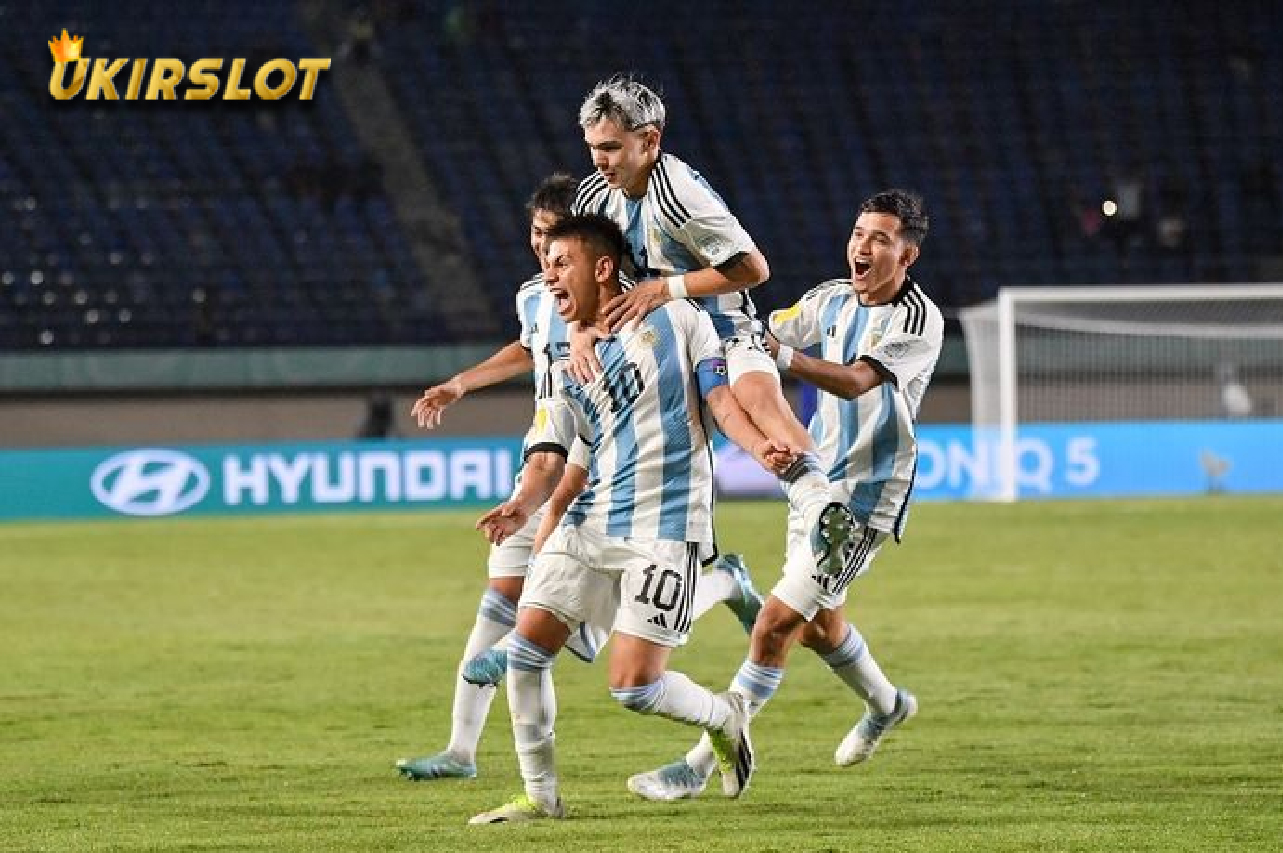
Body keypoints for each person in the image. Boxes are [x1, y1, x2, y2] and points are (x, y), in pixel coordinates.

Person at [395, 176, 762, 783]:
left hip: (609, 478)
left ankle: (709, 591)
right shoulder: (539, 300)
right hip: (547, 460)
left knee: (601, 652)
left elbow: (713, 377)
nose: (544, 254)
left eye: (557, 245)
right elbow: (526, 351)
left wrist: (755, 437)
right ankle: (487, 762)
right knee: (516, 615)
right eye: (538, 239)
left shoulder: (647, 314)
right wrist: (463, 383)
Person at [467, 214, 797, 824]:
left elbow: (721, 403)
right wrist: (521, 506)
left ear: (602, 269)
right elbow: (551, 450)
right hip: (590, 519)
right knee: (527, 649)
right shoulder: (572, 358)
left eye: (561, 264)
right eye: (545, 265)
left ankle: (724, 716)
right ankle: (540, 797)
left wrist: (762, 451)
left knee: (633, 688)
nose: (548, 275)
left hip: (666, 526)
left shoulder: (678, 320)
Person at [626, 190, 943, 801]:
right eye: (859, 234)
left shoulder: (918, 320)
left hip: (863, 502)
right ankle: (887, 705)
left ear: (908, 255)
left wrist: (783, 355)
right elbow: (761, 333)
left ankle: (699, 762)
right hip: (814, 480)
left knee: (773, 625)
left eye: (881, 239)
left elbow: (854, 381)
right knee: (821, 628)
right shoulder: (828, 299)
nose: (863, 247)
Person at [568, 75, 858, 584]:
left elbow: (753, 268)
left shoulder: (679, 193)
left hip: (721, 325)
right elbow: (571, 269)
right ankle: (709, 570)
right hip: (651, 344)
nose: (600, 160)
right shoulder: (594, 197)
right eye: (593, 148)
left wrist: (666, 288)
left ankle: (825, 509)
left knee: (756, 401)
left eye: (612, 147)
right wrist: (578, 329)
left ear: (650, 140)